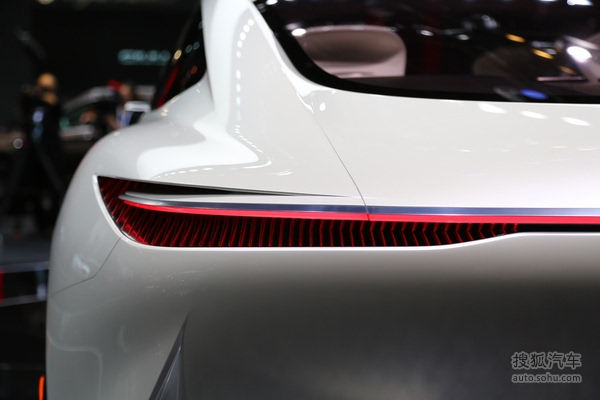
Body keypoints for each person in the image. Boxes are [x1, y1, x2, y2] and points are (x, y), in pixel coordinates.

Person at [1, 72, 65, 231]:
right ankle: (38, 223)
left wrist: (45, 96)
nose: (43, 90)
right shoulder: (34, 103)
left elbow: (57, 108)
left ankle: (54, 223)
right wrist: (29, 95)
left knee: (54, 189)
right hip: (32, 151)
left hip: (50, 152)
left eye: (47, 87)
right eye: (41, 87)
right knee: (31, 188)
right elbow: (22, 112)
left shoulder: (53, 102)